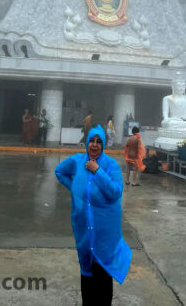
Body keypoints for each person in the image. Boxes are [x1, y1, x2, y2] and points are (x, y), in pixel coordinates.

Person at [55, 125, 131, 305]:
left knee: (103, 273)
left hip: (104, 232)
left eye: (98, 142)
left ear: (103, 144)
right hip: (83, 229)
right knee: (86, 271)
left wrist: (97, 170)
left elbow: (116, 192)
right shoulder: (77, 161)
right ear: (87, 143)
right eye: (91, 141)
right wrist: (75, 190)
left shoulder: (110, 165)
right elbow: (59, 171)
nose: (94, 145)